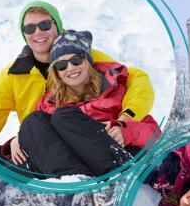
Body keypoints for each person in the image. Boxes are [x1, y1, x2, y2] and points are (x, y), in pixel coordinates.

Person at [0, 0, 154, 166]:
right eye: (30, 29)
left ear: (57, 25)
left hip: (88, 137)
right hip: (43, 145)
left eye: (45, 25)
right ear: (24, 34)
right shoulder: (14, 75)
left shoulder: (81, 54)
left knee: (63, 119)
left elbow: (134, 79)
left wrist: (127, 117)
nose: (38, 32)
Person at [9, 29, 160, 176]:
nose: (70, 68)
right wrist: (20, 138)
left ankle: (114, 175)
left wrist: (126, 130)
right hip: (75, 166)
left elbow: (155, 136)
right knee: (32, 122)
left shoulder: (117, 89)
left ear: (87, 61)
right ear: (57, 72)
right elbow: (42, 140)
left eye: (76, 60)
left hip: (116, 157)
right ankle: (73, 183)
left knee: (62, 117)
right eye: (62, 65)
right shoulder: (49, 103)